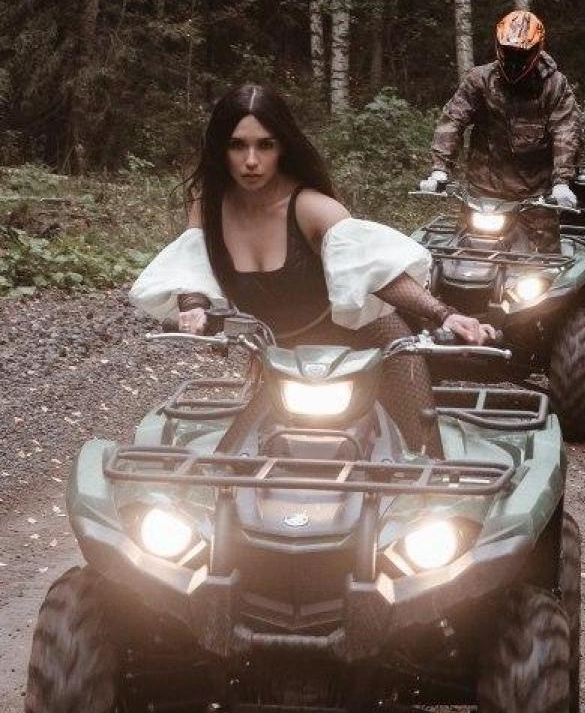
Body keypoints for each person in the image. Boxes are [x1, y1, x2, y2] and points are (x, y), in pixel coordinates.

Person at [130, 84, 494, 447]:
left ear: (282, 147)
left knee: (423, 458)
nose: (251, 160)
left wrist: (445, 314)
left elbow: (376, 273)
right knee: (232, 462)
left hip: (374, 346)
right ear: (220, 149)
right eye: (237, 145)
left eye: (265, 145)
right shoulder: (209, 206)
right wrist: (193, 307)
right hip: (291, 361)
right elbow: (194, 267)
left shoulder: (311, 208)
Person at [419, 9, 581, 207]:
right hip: (482, 191)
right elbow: (453, 119)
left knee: (544, 228)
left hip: (536, 197)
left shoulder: (554, 85)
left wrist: (562, 182)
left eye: (522, 54)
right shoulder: (480, 79)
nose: (515, 60)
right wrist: (440, 169)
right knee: (462, 229)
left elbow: (565, 132)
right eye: (509, 51)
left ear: (537, 49)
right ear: (499, 47)